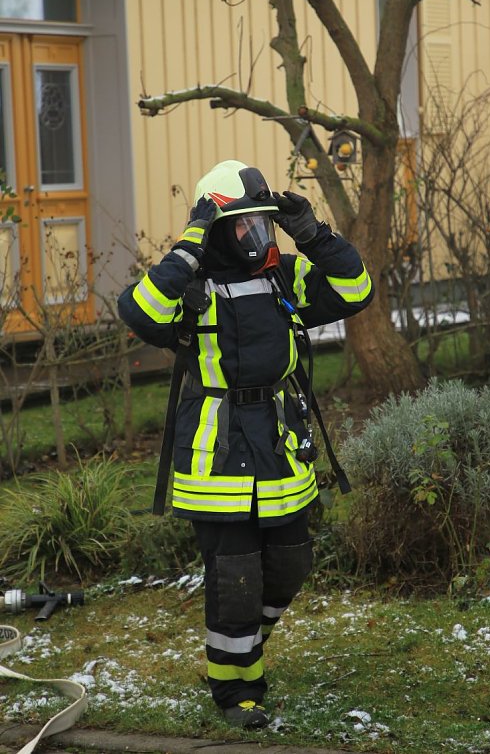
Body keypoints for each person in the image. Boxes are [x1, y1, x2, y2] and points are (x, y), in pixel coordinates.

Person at [117, 159, 374, 729]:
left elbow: (356, 290)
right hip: (215, 449)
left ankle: (237, 651)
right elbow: (139, 311)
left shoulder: (284, 275)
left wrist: (313, 233)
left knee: (291, 562)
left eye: (262, 226)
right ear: (213, 231)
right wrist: (187, 244)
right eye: (241, 227)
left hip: (278, 441)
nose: (255, 239)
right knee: (234, 578)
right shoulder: (189, 283)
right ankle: (237, 691)